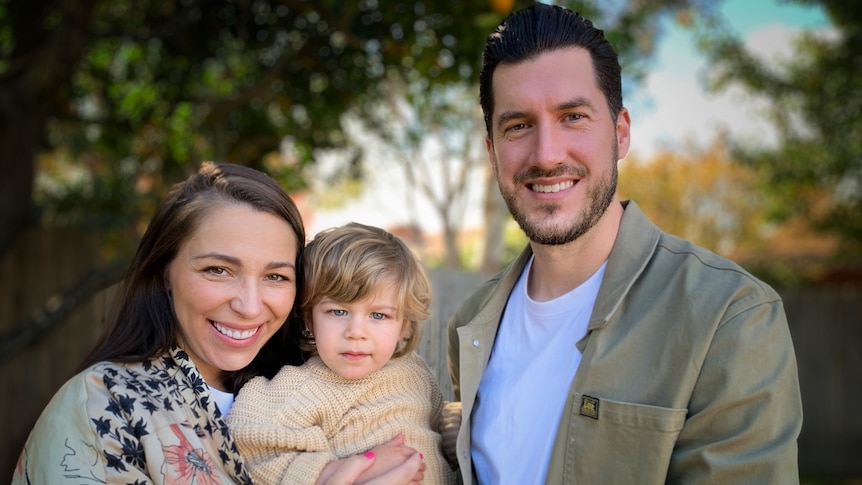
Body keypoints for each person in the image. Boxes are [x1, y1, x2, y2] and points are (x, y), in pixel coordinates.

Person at [447, 4, 803, 485]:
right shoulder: (471, 321)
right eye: (518, 125)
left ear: (620, 132)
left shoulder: (729, 316)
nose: (547, 154)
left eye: (573, 116)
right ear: (492, 151)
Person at [13, 163, 424, 484]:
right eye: (217, 270)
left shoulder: (312, 385)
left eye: (275, 277)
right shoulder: (100, 406)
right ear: (164, 274)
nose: (248, 306)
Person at [228, 222, 459, 485]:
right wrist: (339, 471)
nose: (356, 332)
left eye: (378, 315)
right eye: (338, 312)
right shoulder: (299, 388)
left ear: (403, 326)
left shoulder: (413, 371)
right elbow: (253, 446)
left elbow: (438, 422)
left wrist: (468, 432)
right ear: (309, 320)